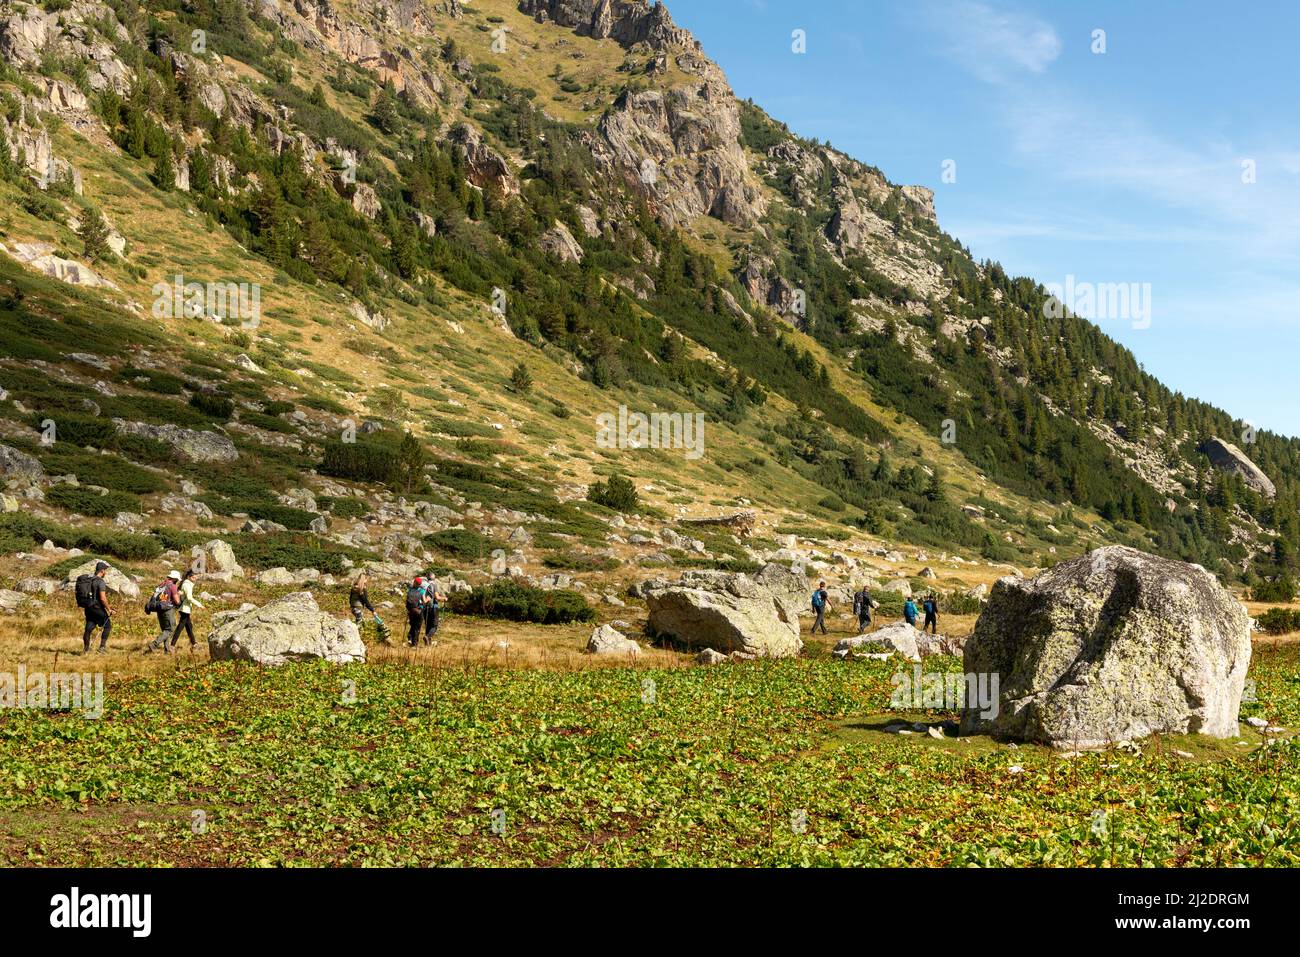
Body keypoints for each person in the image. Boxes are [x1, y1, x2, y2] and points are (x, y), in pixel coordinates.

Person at [76, 561, 113, 655]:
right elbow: (102, 598)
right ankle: (102, 648)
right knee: (107, 625)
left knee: (88, 628)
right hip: (97, 608)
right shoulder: (100, 582)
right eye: (105, 570)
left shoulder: (90, 580)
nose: (105, 572)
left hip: (88, 608)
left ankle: (86, 650)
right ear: (102, 570)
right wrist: (109, 609)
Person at [145, 571, 182, 654]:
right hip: (167, 610)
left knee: (165, 630)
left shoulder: (162, 584)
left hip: (159, 609)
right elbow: (177, 601)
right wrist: (179, 594)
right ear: (175, 578)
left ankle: (167, 650)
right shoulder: (172, 586)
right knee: (170, 630)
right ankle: (154, 644)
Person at [350, 572, 391, 644]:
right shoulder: (362, 589)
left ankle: (359, 639)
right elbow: (366, 601)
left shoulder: (353, 587)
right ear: (364, 580)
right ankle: (359, 641)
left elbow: (350, 599)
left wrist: (352, 606)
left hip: (353, 608)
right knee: (360, 625)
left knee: (359, 622)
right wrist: (372, 610)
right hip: (359, 608)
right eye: (366, 579)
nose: (367, 581)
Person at [169, 568, 204, 650]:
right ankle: (172, 645)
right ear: (189, 577)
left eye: (196, 578)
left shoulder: (186, 584)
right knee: (180, 627)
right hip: (185, 608)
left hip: (185, 608)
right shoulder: (187, 585)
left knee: (189, 626)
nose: (195, 579)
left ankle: (194, 644)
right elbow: (189, 598)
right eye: (194, 578)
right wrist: (199, 605)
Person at [421, 574, 447, 644]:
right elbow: (437, 597)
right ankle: (427, 636)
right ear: (434, 578)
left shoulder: (424, 586)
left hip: (425, 607)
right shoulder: (434, 585)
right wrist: (444, 598)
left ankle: (427, 644)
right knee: (434, 626)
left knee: (428, 625)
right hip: (433, 607)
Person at [405, 576, 428, 647]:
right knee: (417, 627)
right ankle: (414, 644)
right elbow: (424, 601)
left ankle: (410, 638)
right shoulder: (421, 591)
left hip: (410, 610)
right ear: (420, 584)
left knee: (413, 625)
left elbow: (407, 599)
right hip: (418, 611)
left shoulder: (410, 589)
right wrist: (428, 599)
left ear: (414, 582)